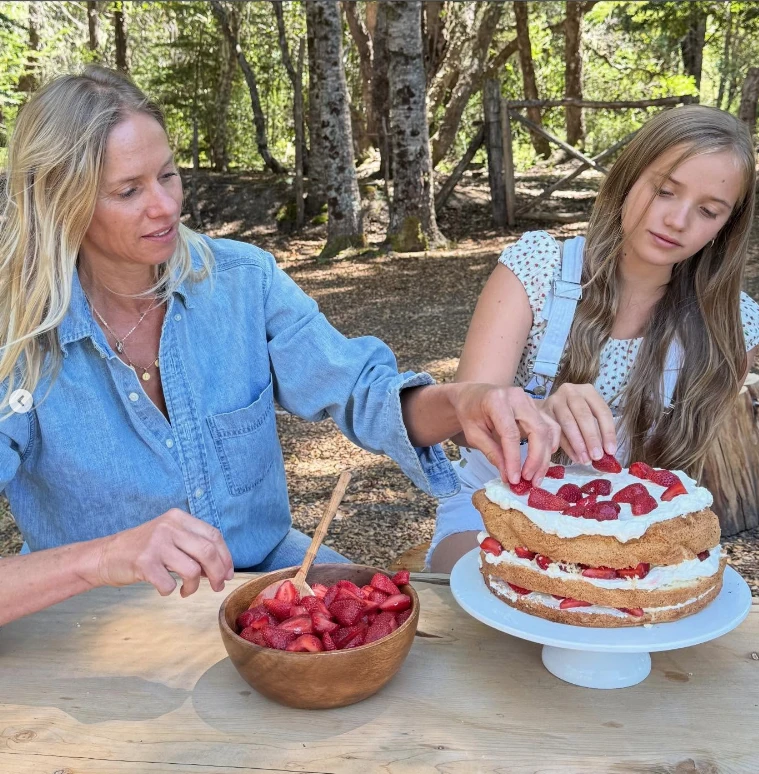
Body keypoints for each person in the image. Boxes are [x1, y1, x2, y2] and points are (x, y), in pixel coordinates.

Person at [0, 66, 559, 626]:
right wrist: (103, 558)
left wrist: (463, 402)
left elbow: (362, 392)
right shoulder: (17, 341)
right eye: (129, 191)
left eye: (168, 175)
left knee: (406, 638)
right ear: (60, 202)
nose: (166, 206)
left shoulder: (243, 282)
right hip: (88, 616)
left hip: (265, 579)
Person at [428, 104, 759, 572]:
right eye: (665, 191)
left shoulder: (734, 326)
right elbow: (463, 424)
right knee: (479, 585)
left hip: (632, 532)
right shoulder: (538, 269)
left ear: (727, 226)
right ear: (628, 177)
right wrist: (539, 412)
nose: (678, 220)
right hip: (497, 509)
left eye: (708, 211)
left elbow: (681, 472)